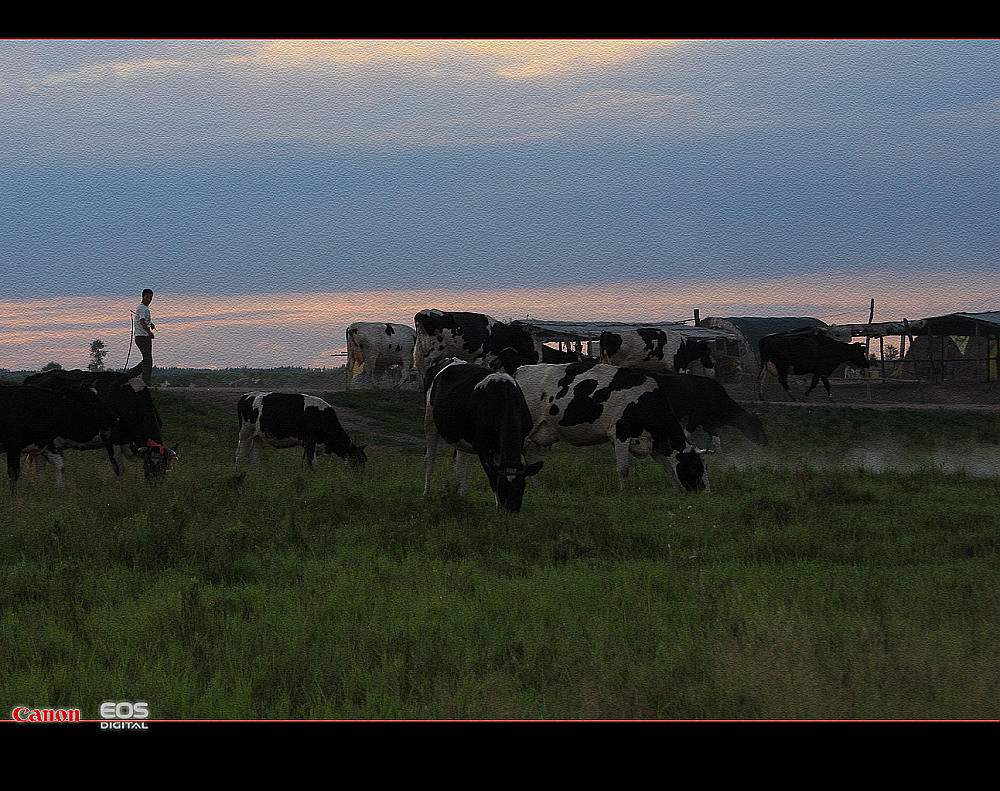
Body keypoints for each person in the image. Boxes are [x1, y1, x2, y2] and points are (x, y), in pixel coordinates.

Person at [134, 288, 156, 385]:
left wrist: (151, 324)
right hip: (142, 336)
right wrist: (149, 332)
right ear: (143, 297)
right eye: (147, 297)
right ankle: (145, 381)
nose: (149, 299)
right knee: (148, 360)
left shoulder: (145, 308)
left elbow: (145, 320)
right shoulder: (142, 307)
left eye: (151, 297)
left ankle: (129, 375)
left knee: (147, 359)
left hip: (143, 336)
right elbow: (142, 321)